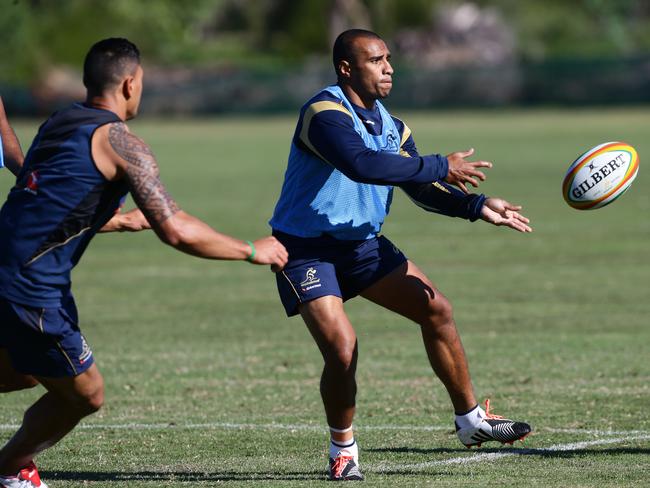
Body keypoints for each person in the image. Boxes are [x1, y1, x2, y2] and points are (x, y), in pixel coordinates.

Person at [0, 38, 288, 488]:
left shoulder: (59, 122)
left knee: (23, 371)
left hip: (9, 272)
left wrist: (117, 222)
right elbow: (176, 229)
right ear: (131, 83)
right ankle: (10, 465)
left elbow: (45, 201)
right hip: (31, 290)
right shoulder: (123, 142)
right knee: (85, 395)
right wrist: (253, 250)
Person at [269, 29, 533, 481]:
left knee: (437, 309)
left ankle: (471, 421)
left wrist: (476, 205)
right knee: (342, 347)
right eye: (376, 60)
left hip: (362, 247)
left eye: (389, 58)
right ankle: (343, 450)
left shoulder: (394, 127)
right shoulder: (324, 112)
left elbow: (421, 187)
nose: (389, 67)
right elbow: (363, 165)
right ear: (347, 68)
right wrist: (439, 163)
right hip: (304, 250)